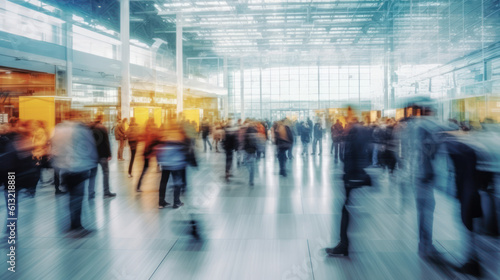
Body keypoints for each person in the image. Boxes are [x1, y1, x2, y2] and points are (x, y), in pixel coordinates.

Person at [326, 109, 372, 257]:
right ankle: (344, 244)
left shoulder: (355, 131)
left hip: (353, 175)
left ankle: (344, 245)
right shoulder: (360, 130)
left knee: (347, 209)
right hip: (354, 174)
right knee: (347, 209)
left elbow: (354, 155)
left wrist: (352, 175)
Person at [51, 112, 98, 233]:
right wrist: (93, 162)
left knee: (71, 196)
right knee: (77, 197)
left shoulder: (58, 129)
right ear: (76, 117)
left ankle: (72, 224)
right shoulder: (81, 130)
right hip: (79, 167)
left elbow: (54, 147)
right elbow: (89, 147)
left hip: (64, 168)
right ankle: (76, 225)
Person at [155, 119, 189, 209]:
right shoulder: (178, 135)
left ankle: (161, 202)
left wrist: (158, 162)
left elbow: (158, 148)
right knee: (177, 182)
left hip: (165, 163)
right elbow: (183, 149)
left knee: (163, 182)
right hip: (176, 164)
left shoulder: (164, 135)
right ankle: (176, 202)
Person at [88, 115, 116, 199]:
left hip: (92, 155)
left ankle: (91, 193)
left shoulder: (90, 128)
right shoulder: (102, 128)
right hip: (102, 155)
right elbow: (106, 142)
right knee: (105, 173)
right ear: (101, 119)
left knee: (93, 174)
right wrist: (109, 154)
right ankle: (106, 192)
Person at [136, 119, 158, 192]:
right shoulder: (149, 132)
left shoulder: (147, 131)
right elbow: (149, 143)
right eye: (151, 123)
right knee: (144, 170)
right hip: (147, 153)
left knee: (145, 170)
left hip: (147, 153)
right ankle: (138, 186)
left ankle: (138, 186)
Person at [244, 121, 258, 186]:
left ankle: (250, 176)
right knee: (252, 165)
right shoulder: (255, 132)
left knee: (245, 162)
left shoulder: (246, 132)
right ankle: (251, 180)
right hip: (253, 150)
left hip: (247, 150)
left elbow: (244, 141)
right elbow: (256, 143)